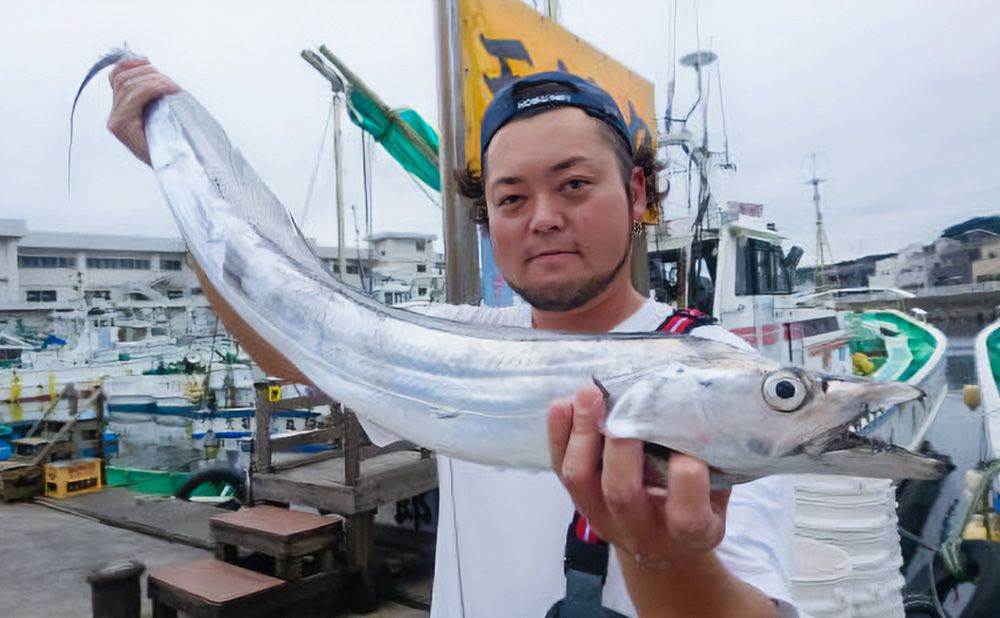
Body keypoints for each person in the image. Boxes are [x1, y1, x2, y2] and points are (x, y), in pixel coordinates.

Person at [108, 61, 796, 617]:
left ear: (638, 191)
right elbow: (290, 346)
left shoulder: (729, 376)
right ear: (488, 218)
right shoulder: (458, 342)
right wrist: (180, 179)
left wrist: (667, 557)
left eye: (576, 184)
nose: (545, 218)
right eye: (512, 199)